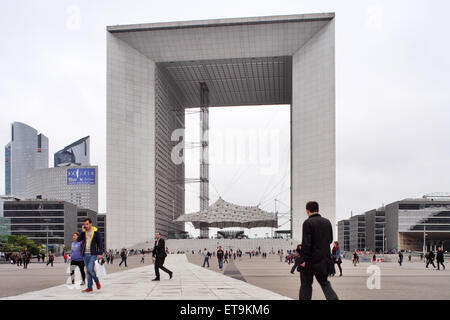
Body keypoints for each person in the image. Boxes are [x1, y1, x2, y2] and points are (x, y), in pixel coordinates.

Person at [299, 201, 339, 300]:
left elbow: (306, 243)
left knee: (306, 284)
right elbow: (330, 240)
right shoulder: (327, 222)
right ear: (318, 210)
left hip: (310, 259)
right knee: (324, 283)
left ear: (307, 211)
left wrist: (303, 260)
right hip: (324, 259)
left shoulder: (307, 223)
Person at [76, 217, 103, 293]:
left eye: (87, 224)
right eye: (85, 224)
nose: (86, 226)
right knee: (88, 271)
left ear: (91, 223)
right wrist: (82, 231)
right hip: (85, 254)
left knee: (90, 269)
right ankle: (89, 287)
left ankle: (96, 281)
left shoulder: (96, 231)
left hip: (93, 253)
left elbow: (100, 243)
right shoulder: (84, 232)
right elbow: (78, 240)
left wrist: (100, 253)